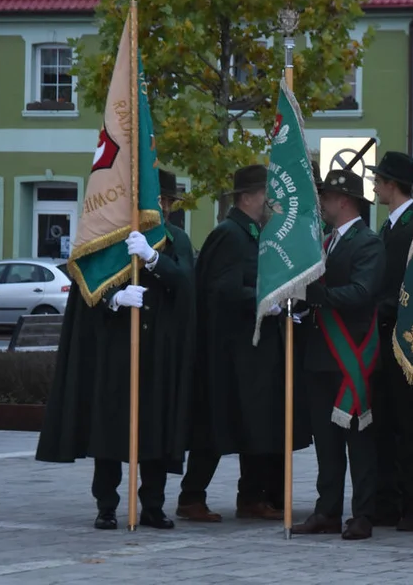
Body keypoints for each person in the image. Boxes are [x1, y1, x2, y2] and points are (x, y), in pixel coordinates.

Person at [36, 169, 196, 531]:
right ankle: (106, 505)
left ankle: (153, 505)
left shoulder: (176, 241)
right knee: (109, 433)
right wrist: (114, 298)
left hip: (158, 352)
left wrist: (155, 262)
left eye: (166, 202)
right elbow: (86, 289)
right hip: (115, 352)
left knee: (155, 433)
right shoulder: (109, 239)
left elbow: (187, 284)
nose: (162, 208)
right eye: (157, 201)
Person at [178, 164, 311, 523]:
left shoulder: (252, 233)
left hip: (250, 351)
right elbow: (222, 290)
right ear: (249, 197)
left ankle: (251, 497)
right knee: (217, 426)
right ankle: (191, 497)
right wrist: (269, 297)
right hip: (229, 352)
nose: (272, 202)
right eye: (267, 195)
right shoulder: (230, 234)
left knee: (256, 422)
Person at [292, 169, 386, 540]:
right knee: (326, 443)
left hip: (353, 356)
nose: (322, 204)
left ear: (344, 200)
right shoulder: (326, 241)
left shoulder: (368, 243)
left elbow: (363, 291)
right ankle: (327, 510)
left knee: (359, 441)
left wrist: (317, 296)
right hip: (319, 354)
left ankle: (363, 514)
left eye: (326, 197)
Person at [369, 152, 413, 532]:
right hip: (381, 335)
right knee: (385, 422)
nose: (374, 186)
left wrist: (383, 308)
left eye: (378, 180)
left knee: (409, 425)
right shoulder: (390, 226)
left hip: (406, 337)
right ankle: (388, 500)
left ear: (392, 184)